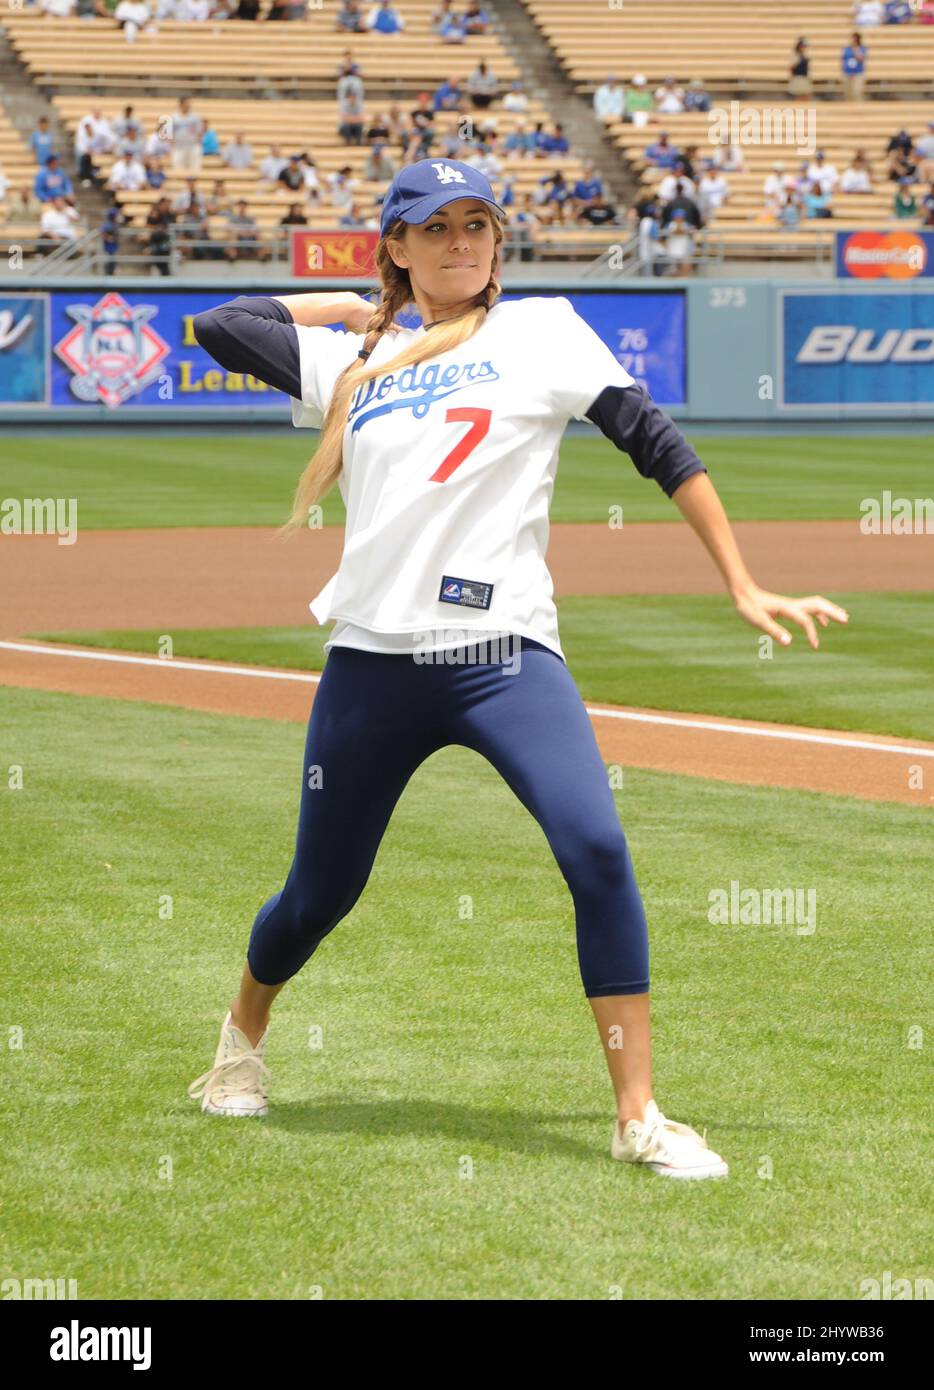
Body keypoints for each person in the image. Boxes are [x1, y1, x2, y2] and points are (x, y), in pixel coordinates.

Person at [188, 156, 849, 1175]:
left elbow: (657, 445)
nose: (462, 242)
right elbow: (220, 325)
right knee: (319, 892)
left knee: (595, 846)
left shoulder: (542, 331)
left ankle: (637, 1116)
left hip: (505, 659)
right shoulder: (356, 358)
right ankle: (240, 1045)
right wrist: (372, 307)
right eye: (436, 228)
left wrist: (742, 582)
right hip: (374, 662)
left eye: (478, 225)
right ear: (399, 248)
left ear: (500, 242)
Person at [147, 196, 175, 275]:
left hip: (166, 240)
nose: (167, 206)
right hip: (156, 240)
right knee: (157, 259)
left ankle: (165, 274)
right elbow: (149, 226)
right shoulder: (154, 213)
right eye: (165, 204)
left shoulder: (170, 214)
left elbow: (172, 226)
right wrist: (159, 228)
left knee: (165, 260)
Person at [841, 31, 868, 100]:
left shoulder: (862, 48)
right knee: (847, 92)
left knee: (856, 92)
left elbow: (861, 59)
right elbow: (843, 59)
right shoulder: (846, 48)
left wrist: (855, 48)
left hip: (858, 73)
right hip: (847, 72)